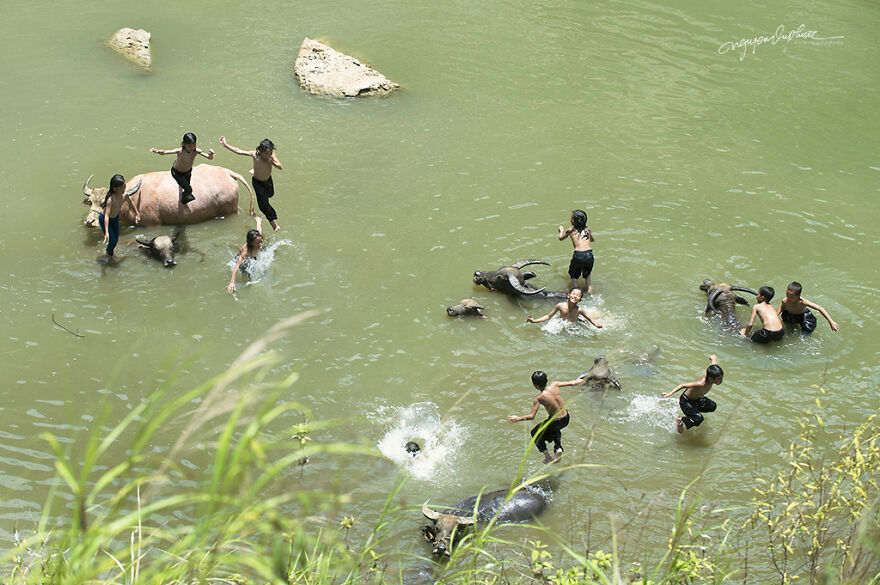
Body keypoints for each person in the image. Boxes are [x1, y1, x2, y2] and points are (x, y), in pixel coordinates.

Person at [507, 371, 581, 463]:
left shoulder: (539, 398)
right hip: (566, 418)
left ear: (535, 385)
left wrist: (517, 418)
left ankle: (547, 456)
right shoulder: (555, 384)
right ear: (547, 379)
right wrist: (580, 380)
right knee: (552, 428)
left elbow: (532, 416)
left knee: (535, 432)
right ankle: (558, 448)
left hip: (555, 421)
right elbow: (573, 383)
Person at [220, 136, 283, 232]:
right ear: (260, 151)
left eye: (270, 153)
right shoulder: (254, 155)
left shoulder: (271, 156)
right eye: (266, 154)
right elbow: (239, 151)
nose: (268, 155)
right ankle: (273, 224)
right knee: (264, 205)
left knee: (270, 194)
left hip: (268, 180)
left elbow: (280, 167)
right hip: (258, 182)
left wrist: (272, 161)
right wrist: (225, 145)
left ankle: (255, 170)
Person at [662, 354, 723, 433]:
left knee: (712, 406)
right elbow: (683, 385)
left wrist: (713, 358)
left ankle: (693, 414)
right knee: (699, 419)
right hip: (686, 402)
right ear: (711, 379)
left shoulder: (713, 372)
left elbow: (714, 364)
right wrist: (669, 393)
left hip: (697, 399)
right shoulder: (701, 383)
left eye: (721, 378)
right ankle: (680, 420)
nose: (721, 381)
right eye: (719, 379)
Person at [150, 132, 214, 204]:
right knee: (188, 189)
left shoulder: (196, 151)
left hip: (188, 172)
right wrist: (157, 151)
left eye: (194, 145)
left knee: (186, 187)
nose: (192, 148)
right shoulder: (180, 151)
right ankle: (183, 202)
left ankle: (184, 193)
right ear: (184, 144)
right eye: (189, 146)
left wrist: (211, 154)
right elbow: (165, 152)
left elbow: (209, 158)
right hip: (177, 173)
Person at [99, 174, 141, 261]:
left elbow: (131, 203)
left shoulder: (124, 195)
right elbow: (106, 216)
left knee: (116, 239)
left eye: (124, 186)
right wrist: (106, 232)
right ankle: (109, 254)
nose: (124, 189)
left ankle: (109, 252)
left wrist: (137, 214)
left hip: (115, 219)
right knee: (113, 241)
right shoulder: (111, 199)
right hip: (105, 220)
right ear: (114, 188)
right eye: (121, 187)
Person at [525, 288, 603, 328]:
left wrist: (596, 325)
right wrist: (534, 321)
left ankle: (598, 314)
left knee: (586, 321)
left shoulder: (579, 310)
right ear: (568, 295)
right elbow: (548, 316)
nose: (575, 296)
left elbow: (589, 318)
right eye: (573, 294)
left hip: (575, 322)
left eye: (578, 295)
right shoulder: (560, 306)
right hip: (562, 323)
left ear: (580, 300)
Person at [559, 209, 595, 293]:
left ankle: (575, 290)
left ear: (574, 221)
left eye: (571, 218)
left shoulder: (571, 230)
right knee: (587, 273)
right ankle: (589, 289)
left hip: (578, 254)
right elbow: (592, 240)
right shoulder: (587, 229)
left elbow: (561, 238)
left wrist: (561, 231)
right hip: (589, 254)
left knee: (574, 274)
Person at [227, 216, 264, 293]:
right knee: (248, 277)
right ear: (251, 243)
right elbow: (237, 266)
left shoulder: (258, 239)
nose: (260, 244)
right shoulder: (246, 253)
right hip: (244, 261)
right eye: (257, 243)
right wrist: (232, 282)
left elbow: (259, 230)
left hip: (253, 257)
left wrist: (258, 221)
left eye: (261, 241)